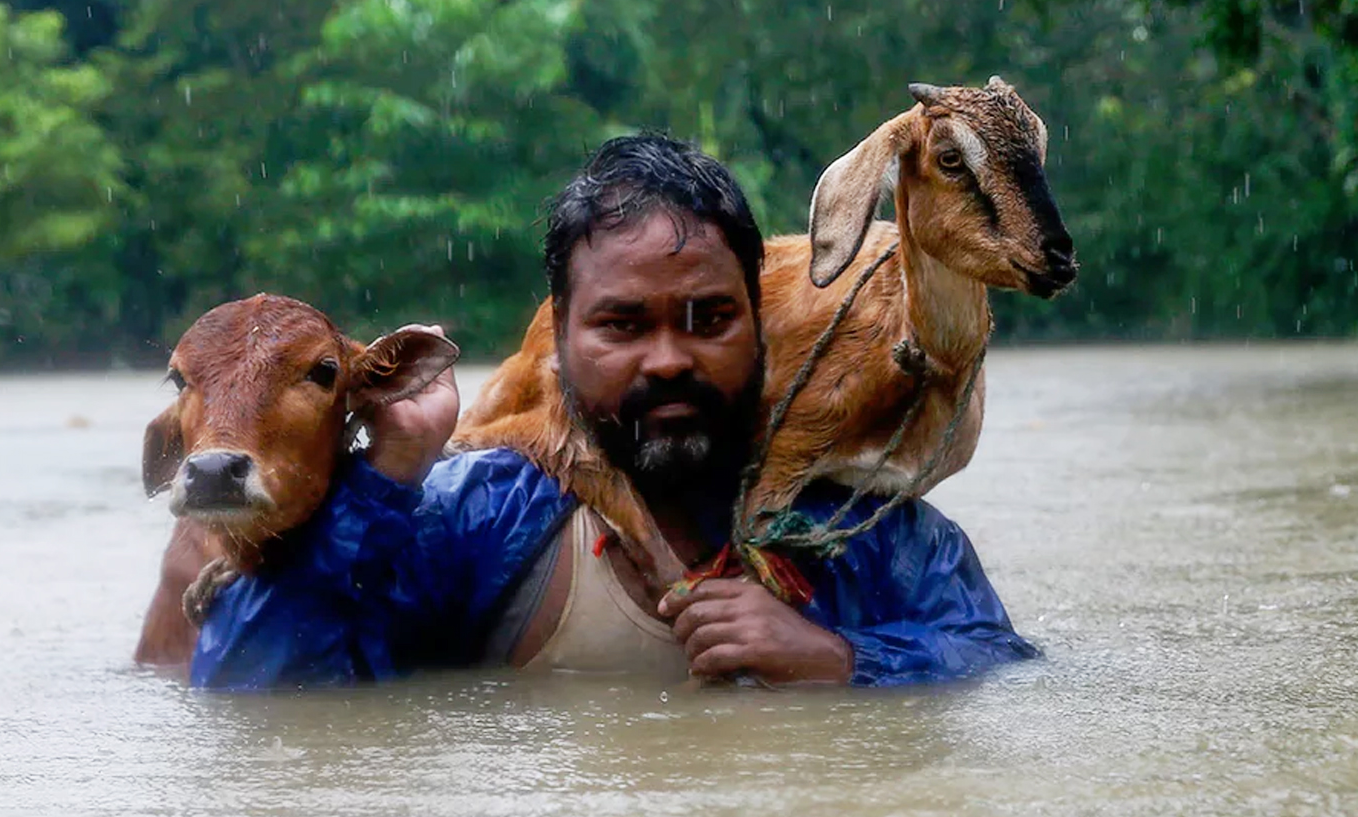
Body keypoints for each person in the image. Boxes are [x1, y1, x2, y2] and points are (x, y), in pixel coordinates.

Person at [192, 134, 1038, 689]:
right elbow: (254, 693)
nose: (669, 358)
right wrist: (384, 475)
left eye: (711, 319)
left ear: (759, 323)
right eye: (623, 325)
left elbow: (1012, 674)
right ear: (559, 338)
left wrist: (841, 659)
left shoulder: (868, 534)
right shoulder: (476, 518)